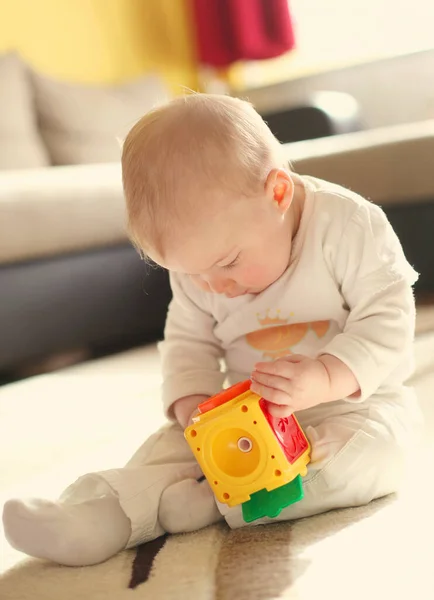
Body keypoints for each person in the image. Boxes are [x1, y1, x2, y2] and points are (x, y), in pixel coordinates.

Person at [3, 94, 422, 566]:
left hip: (349, 405)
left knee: (375, 456)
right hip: (242, 420)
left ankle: (211, 501)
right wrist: (192, 403)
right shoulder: (206, 268)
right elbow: (189, 340)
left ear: (278, 195)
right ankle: (94, 516)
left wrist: (326, 376)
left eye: (226, 264)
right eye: (191, 274)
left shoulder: (349, 226)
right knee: (162, 453)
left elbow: (388, 315)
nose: (214, 287)